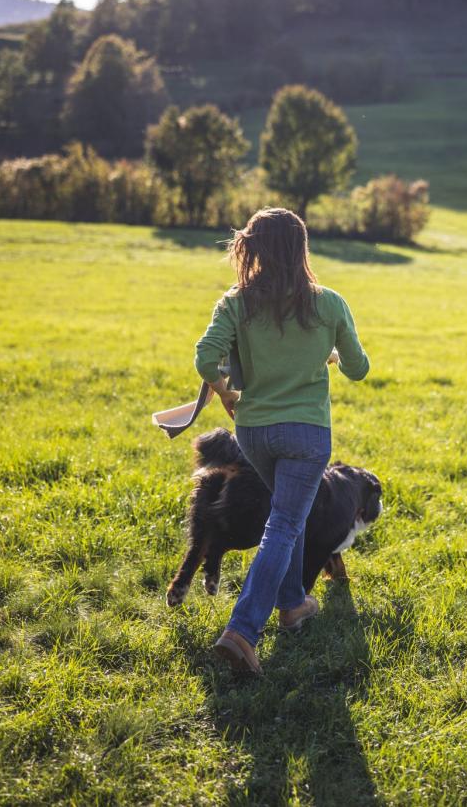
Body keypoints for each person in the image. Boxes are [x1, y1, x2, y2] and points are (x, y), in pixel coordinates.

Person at [195, 207, 369, 675]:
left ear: (253, 247)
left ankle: (293, 604)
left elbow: (206, 357)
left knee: (284, 516)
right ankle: (242, 631)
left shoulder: (235, 301)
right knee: (285, 524)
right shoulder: (329, 303)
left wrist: (228, 394)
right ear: (301, 248)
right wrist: (329, 350)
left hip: (254, 431)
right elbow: (359, 369)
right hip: (306, 434)